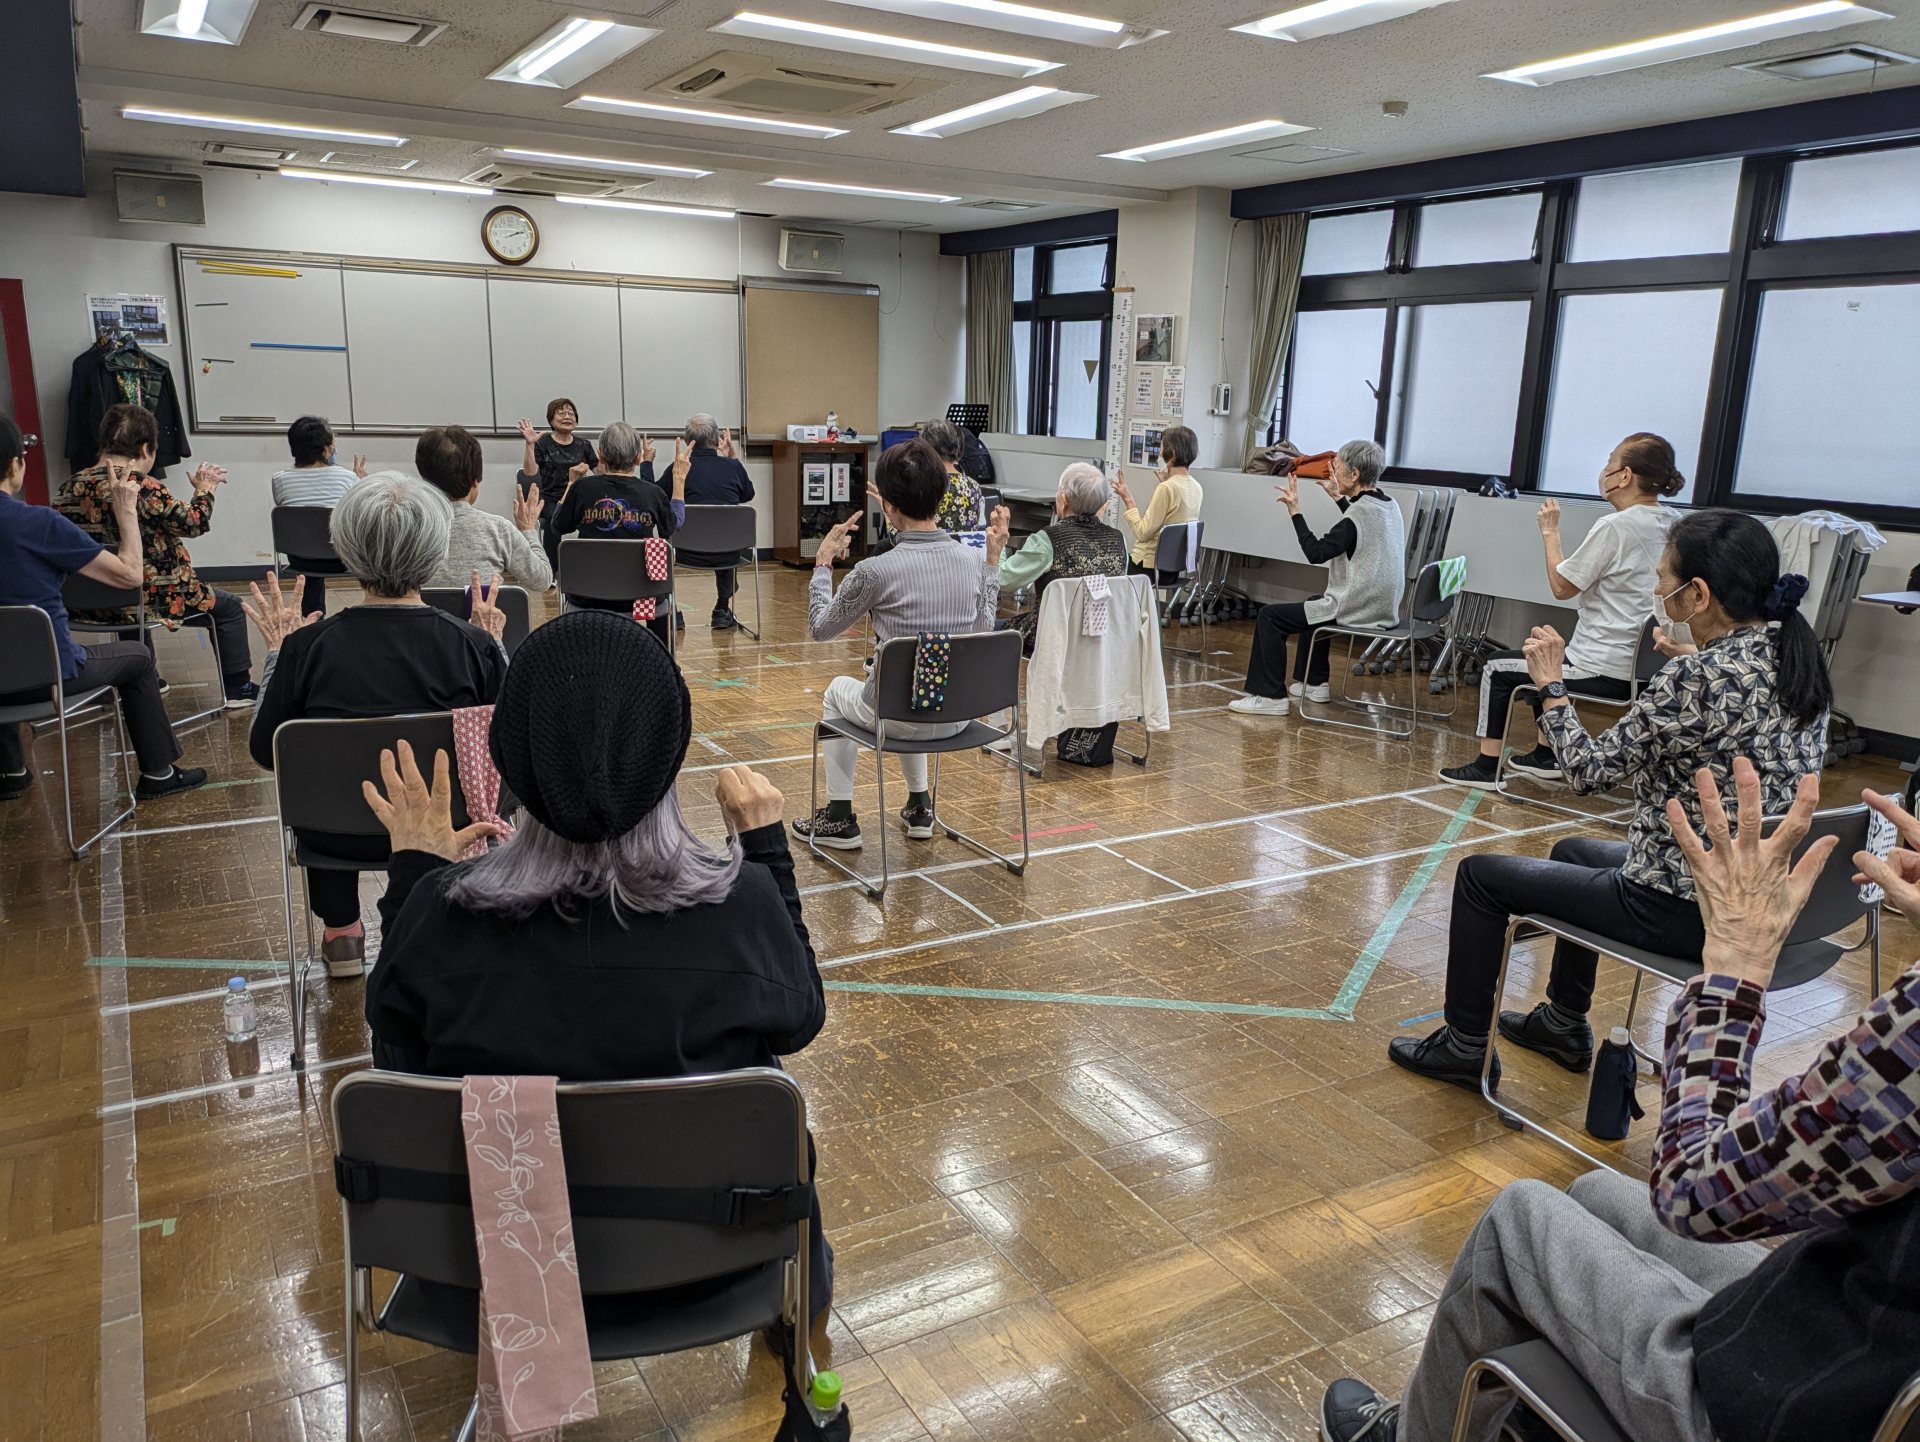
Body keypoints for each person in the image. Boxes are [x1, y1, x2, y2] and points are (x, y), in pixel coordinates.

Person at [1321, 760, 1920, 1442]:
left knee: (1520, 1219)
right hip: (1858, 1333)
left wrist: (1735, 967)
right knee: (1594, 1194)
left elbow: (1692, 1189)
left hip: (1776, 1406)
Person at [358, 611, 833, 1313]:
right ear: (667, 752)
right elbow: (801, 1018)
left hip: (492, 1268)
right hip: (715, 1265)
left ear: (510, 758)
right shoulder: (743, 907)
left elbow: (397, 1056)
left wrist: (412, 873)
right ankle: (804, 1315)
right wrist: (766, 850)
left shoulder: (439, 912)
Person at [1390, 509, 1832, 1089]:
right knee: (1574, 851)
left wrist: (1552, 686)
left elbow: (1586, 772)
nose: (1657, 588)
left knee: (1479, 877)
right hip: (1767, 897)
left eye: (1663, 577)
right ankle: (1562, 1022)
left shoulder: (1694, 680)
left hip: (1688, 908)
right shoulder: (1797, 660)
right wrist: (1691, 667)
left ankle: (1465, 1046)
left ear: (1697, 594)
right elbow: (1733, 708)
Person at [245, 472, 508, 979]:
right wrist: (493, 643)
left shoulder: (306, 647)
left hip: (335, 837)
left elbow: (266, 749)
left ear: (346, 549)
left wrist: (278, 654)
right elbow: (513, 741)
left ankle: (342, 932)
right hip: (447, 834)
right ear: (435, 551)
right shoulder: (472, 646)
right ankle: (443, 919)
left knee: (329, 783)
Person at [792, 439, 1005, 850]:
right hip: (959, 713)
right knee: (917, 677)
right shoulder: (974, 561)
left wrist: (822, 564)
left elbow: (820, 629)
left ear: (888, 506)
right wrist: (992, 563)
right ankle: (920, 805)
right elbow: (983, 627)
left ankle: (839, 817)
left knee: (839, 691)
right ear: (941, 496)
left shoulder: (874, 571)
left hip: (898, 715)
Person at [1440, 432, 1684, 788]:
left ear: (1625, 476)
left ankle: (1486, 767)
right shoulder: (1675, 523)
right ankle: (1547, 755)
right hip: (1648, 667)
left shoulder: (1617, 526)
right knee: (1546, 651)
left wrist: (1550, 531)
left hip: (1603, 667)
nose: (1604, 470)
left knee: (1496, 668)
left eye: (1610, 461)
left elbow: (1561, 587)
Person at [0, 415, 207, 802]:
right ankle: (159, 773)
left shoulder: (68, 490)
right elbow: (131, 576)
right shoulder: (36, 523)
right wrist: (125, 511)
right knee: (139, 657)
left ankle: (9, 770)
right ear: (15, 465)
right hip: (48, 677)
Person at [57, 403, 257, 707]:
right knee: (230, 608)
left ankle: (145, 676)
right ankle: (239, 688)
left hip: (88, 601)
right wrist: (206, 489)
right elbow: (193, 523)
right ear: (145, 448)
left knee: (126, 601)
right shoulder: (143, 486)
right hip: (153, 596)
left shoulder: (69, 487)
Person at [1229, 438, 1404, 718]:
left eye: (1338, 467)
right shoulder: (1388, 505)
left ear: (1354, 474)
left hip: (1357, 608)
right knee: (1315, 603)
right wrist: (1339, 499)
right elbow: (1362, 528)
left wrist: (1295, 511)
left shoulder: (1357, 514)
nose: (1332, 471)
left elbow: (1316, 553)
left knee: (1269, 617)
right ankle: (1314, 683)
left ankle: (1270, 696)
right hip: (1383, 607)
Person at [549, 421, 685, 644]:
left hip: (588, 597)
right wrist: (678, 482)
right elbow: (672, 526)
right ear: (638, 458)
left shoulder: (582, 488)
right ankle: (663, 659)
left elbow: (557, 526)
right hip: (640, 598)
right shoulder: (653, 493)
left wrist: (571, 483)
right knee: (659, 578)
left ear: (601, 456)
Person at [994, 461, 1128, 652]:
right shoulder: (1119, 540)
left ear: (1064, 500)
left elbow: (1002, 580)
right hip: (1100, 637)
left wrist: (1000, 540)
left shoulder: (1048, 540)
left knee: (989, 631)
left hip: (1050, 636)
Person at [414, 425, 552, 592]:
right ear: (475, 481)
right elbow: (542, 581)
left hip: (424, 610)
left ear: (424, 479)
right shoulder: (498, 529)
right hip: (483, 610)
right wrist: (528, 530)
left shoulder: (407, 528)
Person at [269, 414, 366, 619]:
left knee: (310, 542)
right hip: (343, 559)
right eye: (332, 445)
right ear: (324, 450)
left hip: (299, 559)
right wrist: (361, 483)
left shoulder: (280, 480)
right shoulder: (348, 478)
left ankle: (313, 619)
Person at [673, 412, 755, 630]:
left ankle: (672, 610)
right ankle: (722, 608)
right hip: (728, 554)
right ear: (717, 440)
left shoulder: (680, 468)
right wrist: (732, 460)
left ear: (689, 441)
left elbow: (658, 496)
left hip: (685, 553)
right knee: (725, 535)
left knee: (665, 531)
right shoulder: (733, 467)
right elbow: (748, 495)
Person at [517, 398, 598, 573]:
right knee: (554, 520)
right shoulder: (543, 443)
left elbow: (601, 472)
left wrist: (609, 457)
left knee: (597, 514)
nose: (567, 417)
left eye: (571, 413)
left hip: (579, 498)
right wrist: (530, 444)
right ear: (551, 419)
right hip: (551, 498)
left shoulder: (584, 445)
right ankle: (551, 570)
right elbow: (530, 472)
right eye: (561, 413)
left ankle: (590, 566)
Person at [1113, 425, 1203, 580]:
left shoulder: (1166, 489)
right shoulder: (1196, 487)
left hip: (1147, 569)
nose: (1160, 454)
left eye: (1161, 449)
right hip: (1173, 570)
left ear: (1172, 454)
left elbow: (1142, 533)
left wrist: (1127, 498)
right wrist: (1167, 483)